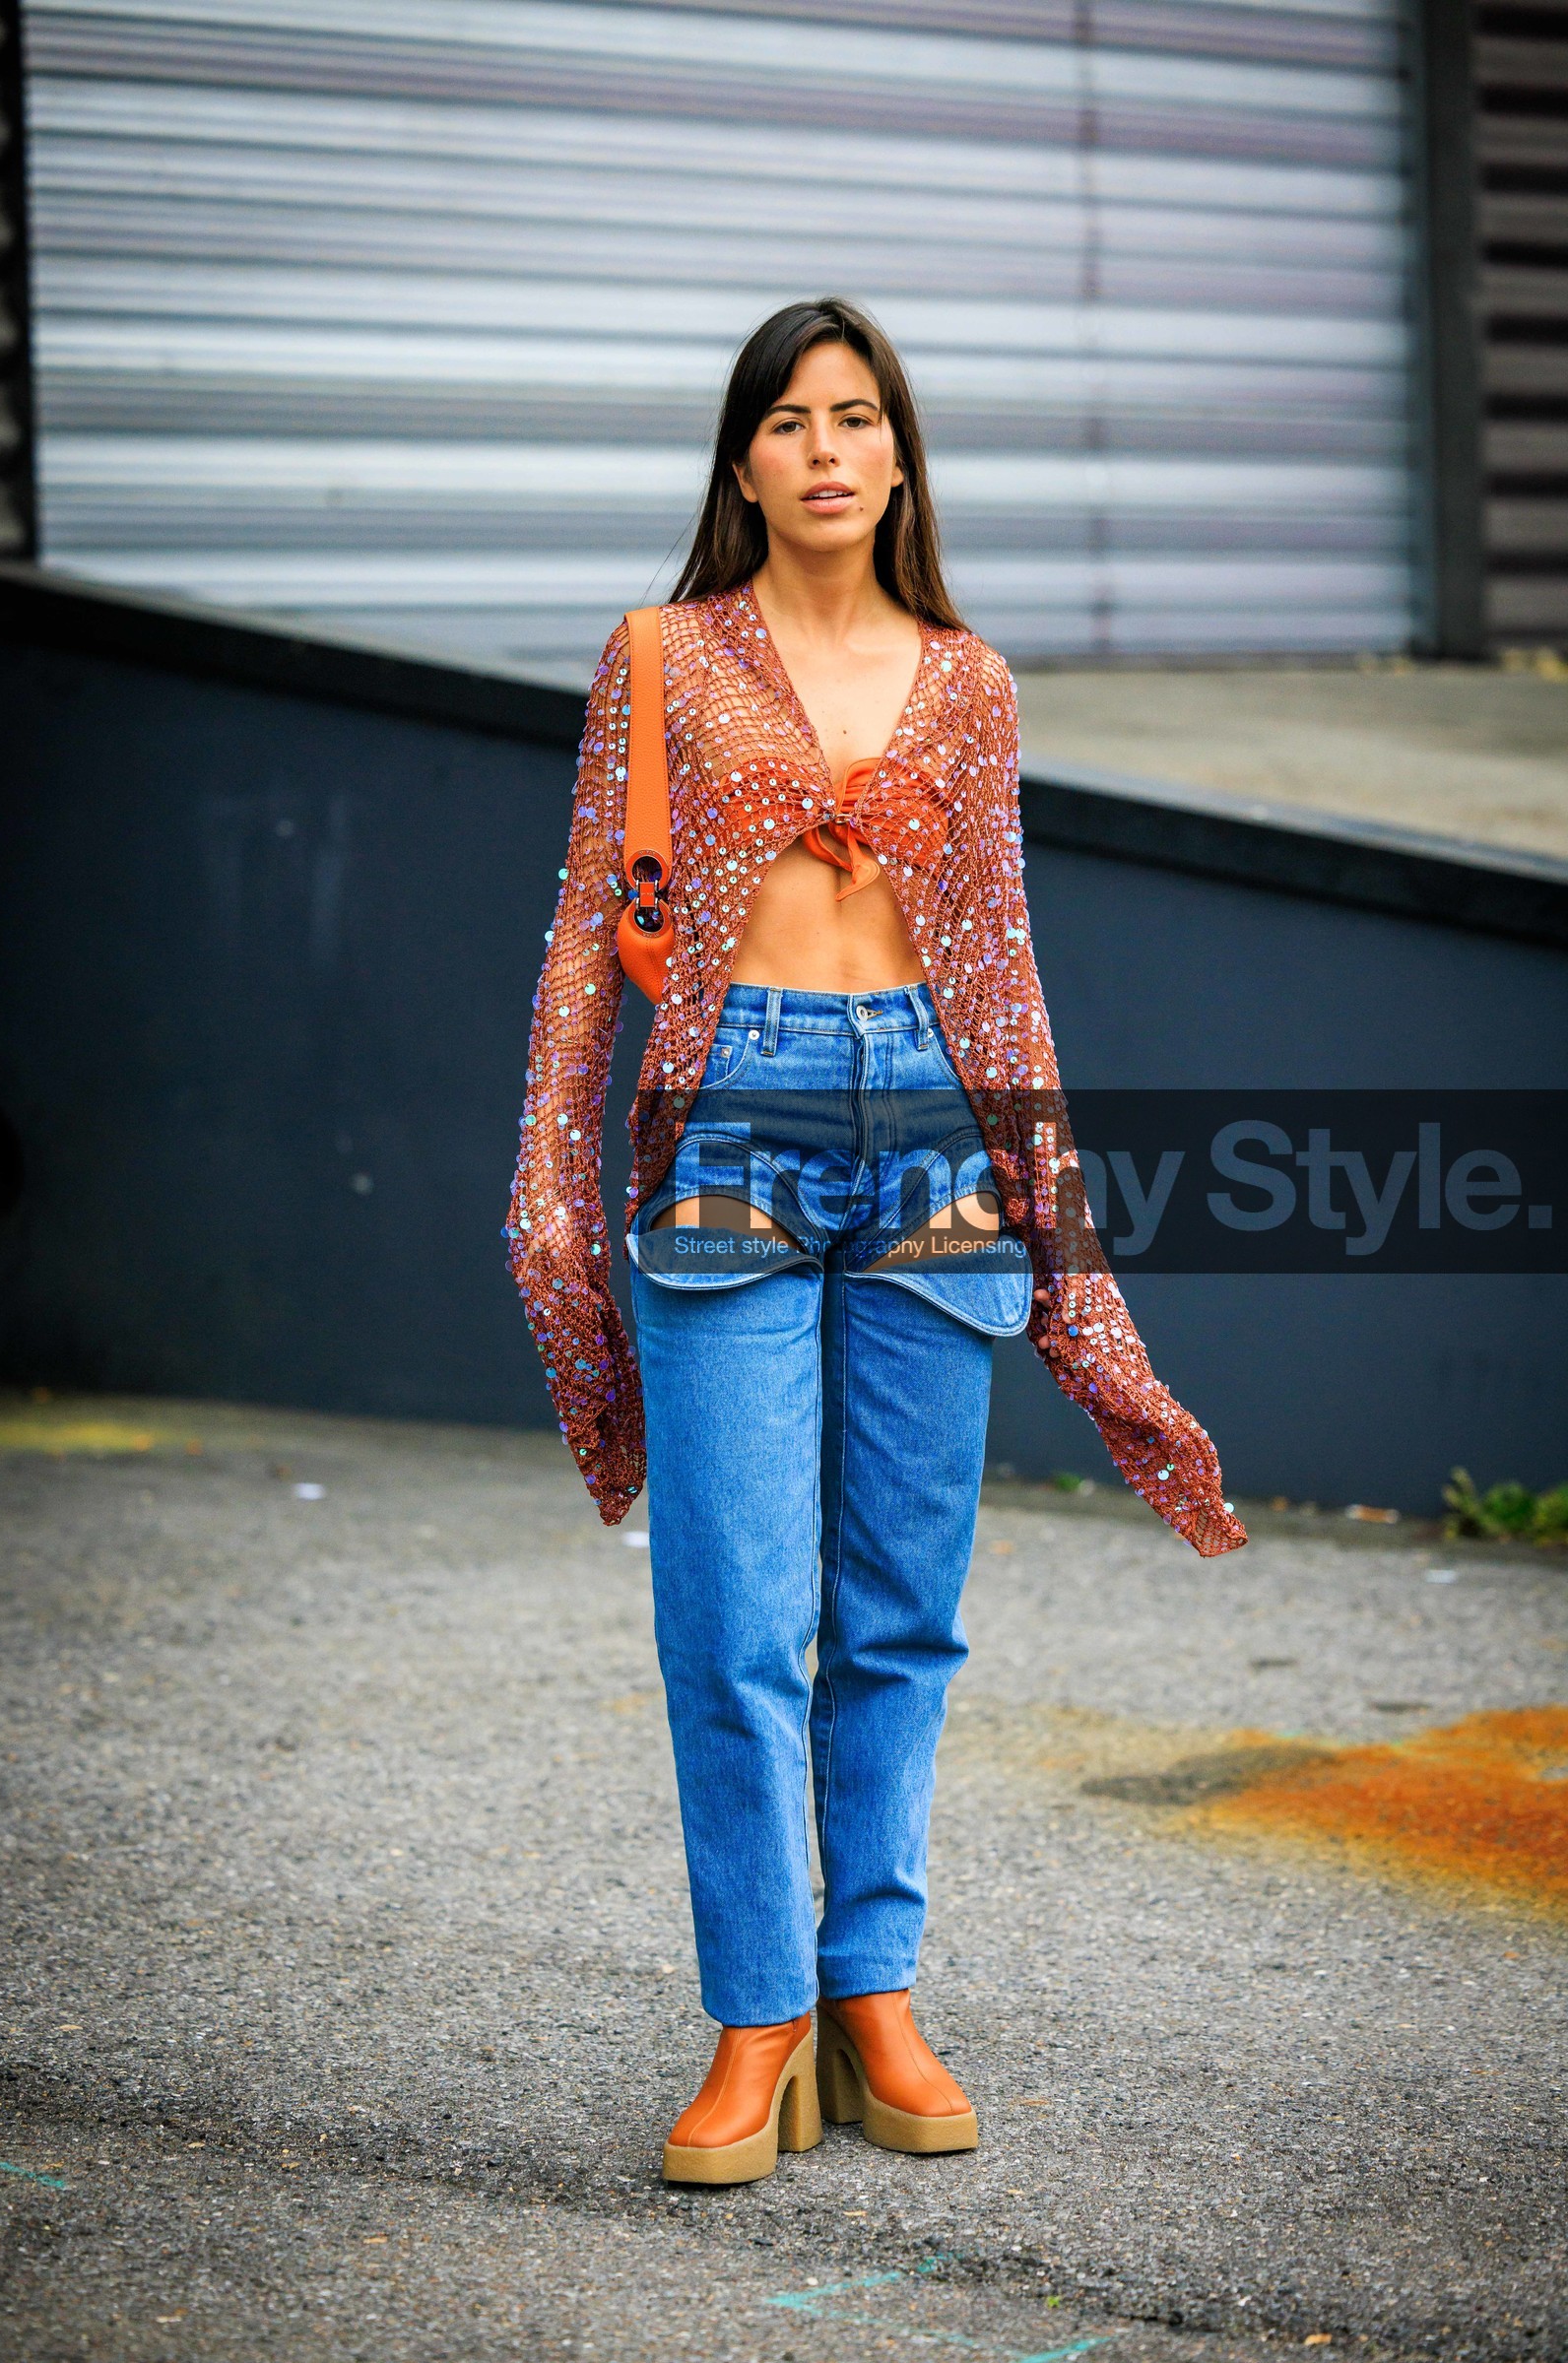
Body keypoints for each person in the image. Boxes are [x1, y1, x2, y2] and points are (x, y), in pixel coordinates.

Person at [506, 296, 1247, 2189]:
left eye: (860, 418)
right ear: (740, 460)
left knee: (900, 1610)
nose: (826, 449)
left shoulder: (973, 681)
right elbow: (594, 931)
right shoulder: (661, 658)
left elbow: (1003, 979)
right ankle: (755, 2019)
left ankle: (873, 1990)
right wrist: (544, 1175)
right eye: (788, 420)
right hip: (728, 1124)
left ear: (900, 459)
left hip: (935, 1130)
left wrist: (1070, 1255)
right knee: (738, 1616)